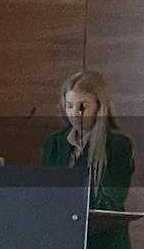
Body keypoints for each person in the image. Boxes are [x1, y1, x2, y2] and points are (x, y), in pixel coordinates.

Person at [42, 70, 135, 249]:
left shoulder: (118, 146)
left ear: (100, 106)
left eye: (82, 106)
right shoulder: (54, 143)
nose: (75, 113)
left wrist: (67, 200)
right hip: (63, 239)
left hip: (104, 242)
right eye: (69, 106)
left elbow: (111, 202)